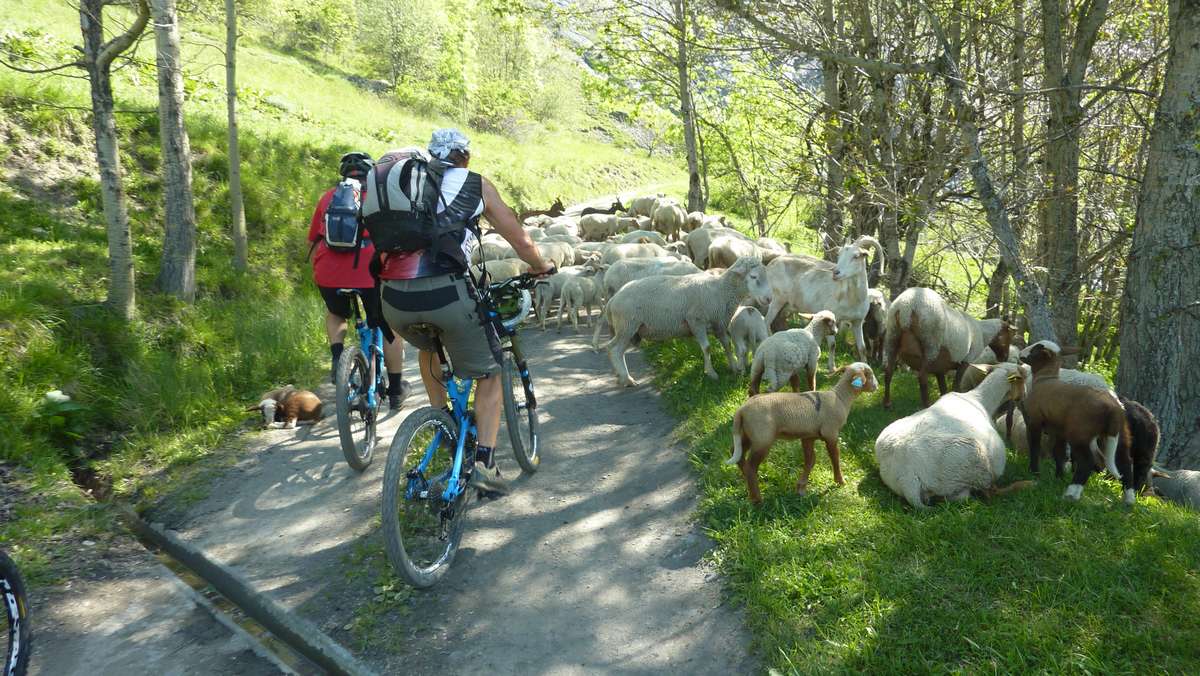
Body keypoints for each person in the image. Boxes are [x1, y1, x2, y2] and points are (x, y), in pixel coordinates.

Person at [378, 129, 552, 495]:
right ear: (465, 157)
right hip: (446, 292)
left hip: (393, 297)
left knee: (429, 347)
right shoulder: (475, 184)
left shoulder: (405, 187)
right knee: (491, 371)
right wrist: (540, 266)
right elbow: (519, 239)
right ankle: (486, 465)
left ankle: (441, 422)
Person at [307, 151, 409, 407]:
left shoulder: (328, 198)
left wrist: (320, 273)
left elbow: (313, 239)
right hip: (369, 272)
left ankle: (338, 357)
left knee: (336, 313)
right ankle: (396, 390)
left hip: (328, 273)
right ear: (371, 173)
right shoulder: (380, 196)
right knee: (389, 327)